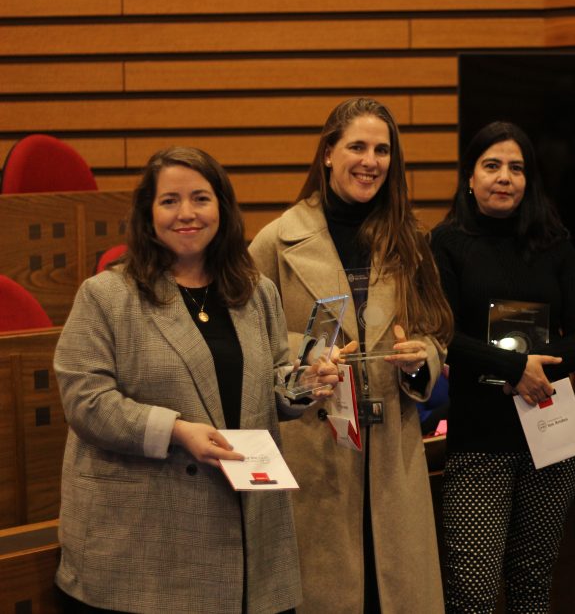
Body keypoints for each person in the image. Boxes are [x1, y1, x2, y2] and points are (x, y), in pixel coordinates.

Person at [54, 146, 338, 614]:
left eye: (201, 199)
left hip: (246, 534)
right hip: (144, 542)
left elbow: (272, 381)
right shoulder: (107, 295)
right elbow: (86, 401)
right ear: (148, 214)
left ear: (222, 209)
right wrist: (177, 432)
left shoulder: (254, 292)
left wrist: (304, 382)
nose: (186, 213)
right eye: (169, 201)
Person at [249, 97, 454, 613]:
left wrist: (420, 354)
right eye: (357, 146)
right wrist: (308, 354)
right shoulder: (275, 241)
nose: (370, 161)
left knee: (394, 595)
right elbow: (251, 342)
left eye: (382, 150)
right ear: (327, 154)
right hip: (315, 450)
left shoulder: (409, 238)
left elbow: (436, 330)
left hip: (394, 456)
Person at [430, 121, 575, 613]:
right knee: (474, 594)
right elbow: (440, 333)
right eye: (492, 165)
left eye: (516, 168)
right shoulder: (445, 243)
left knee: (532, 584)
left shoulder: (554, 242)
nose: (504, 177)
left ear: (529, 180)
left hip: (552, 434)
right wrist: (514, 367)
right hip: (480, 440)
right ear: (470, 177)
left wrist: (537, 371)